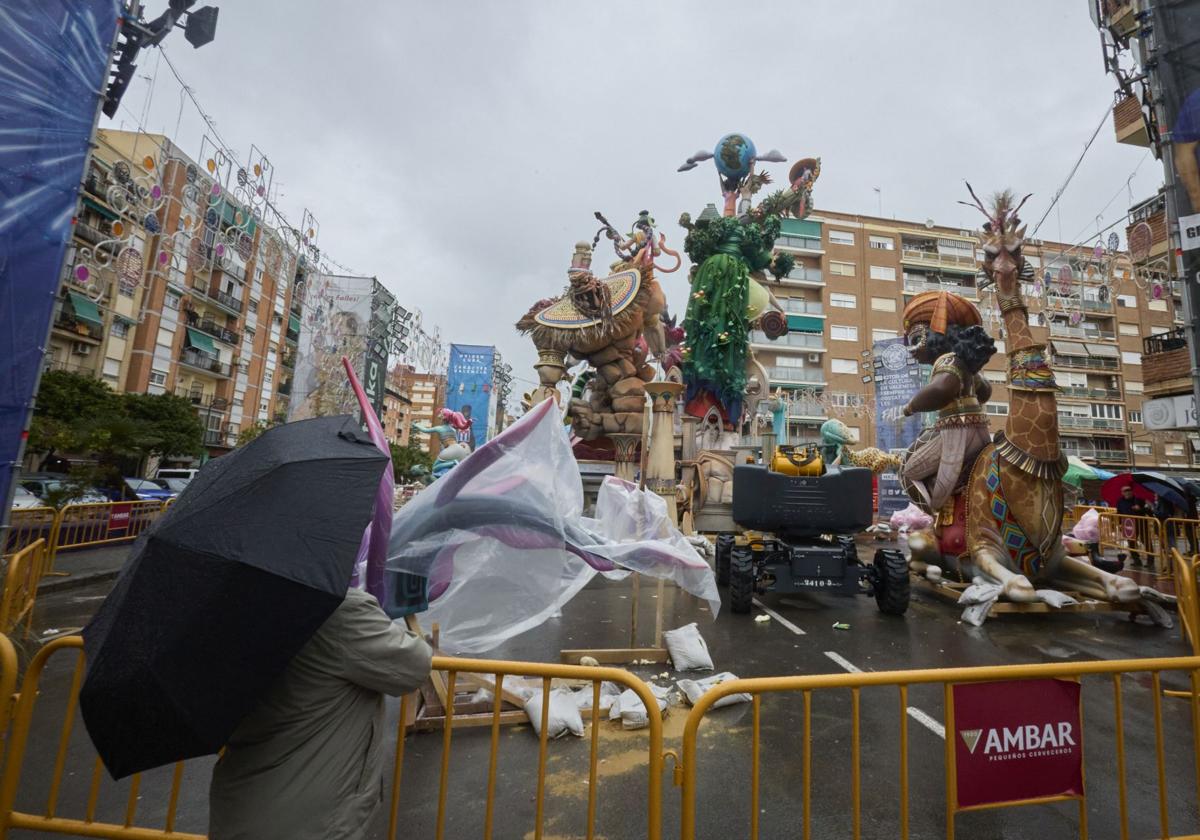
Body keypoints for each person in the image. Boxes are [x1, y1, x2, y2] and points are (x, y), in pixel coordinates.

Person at [209, 588, 432, 840]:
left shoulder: (228, 609)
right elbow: (412, 666)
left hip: (237, 806)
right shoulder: (335, 610)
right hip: (309, 818)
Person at [890, 291, 996, 515]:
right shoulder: (964, 364)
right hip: (979, 429)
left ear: (933, 337)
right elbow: (985, 391)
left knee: (906, 472)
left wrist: (907, 408)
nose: (913, 351)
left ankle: (936, 518)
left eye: (916, 340)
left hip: (956, 431)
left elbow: (941, 389)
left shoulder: (947, 361)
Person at [1116, 485, 1150, 566]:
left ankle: (1150, 560)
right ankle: (1136, 560)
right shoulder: (1120, 501)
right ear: (1122, 493)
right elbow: (1119, 513)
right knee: (1131, 542)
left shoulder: (1138, 499)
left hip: (1141, 523)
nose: (1128, 492)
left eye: (1129, 490)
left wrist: (1140, 509)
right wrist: (1120, 524)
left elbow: (1148, 511)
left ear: (1132, 491)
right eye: (1125, 490)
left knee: (1145, 541)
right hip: (1128, 525)